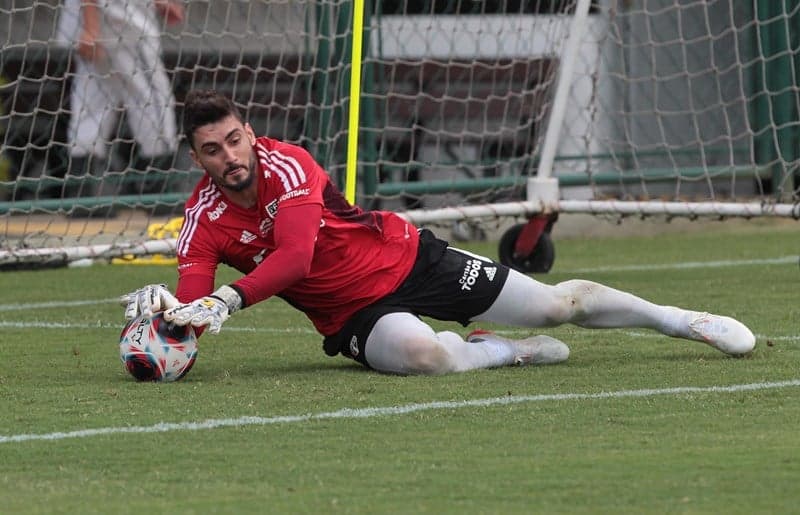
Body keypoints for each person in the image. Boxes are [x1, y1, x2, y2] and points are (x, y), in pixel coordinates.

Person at [120, 89, 756, 376]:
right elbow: (195, 290)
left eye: (234, 139)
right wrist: (176, 320)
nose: (229, 155)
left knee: (559, 306)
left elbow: (293, 256)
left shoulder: (288, 165)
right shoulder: (202, 219)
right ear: (196, 159)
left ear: (250, 135)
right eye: (212, 149)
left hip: (411, 259)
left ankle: (681, 320)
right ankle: (501, 351)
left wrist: (226, 300)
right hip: (353, 317)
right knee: (429, 357)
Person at [53, 0, 183, 205]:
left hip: (103, 19)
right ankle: (160, 189)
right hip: (121, 21)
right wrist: (91, 27)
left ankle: (84, 196)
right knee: (153, 100)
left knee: (91, 102)